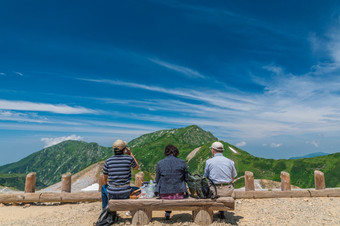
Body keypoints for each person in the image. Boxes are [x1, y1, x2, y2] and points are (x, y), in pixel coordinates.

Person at [101, 139, 139, 213]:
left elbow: (104, 180)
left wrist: (110, 186)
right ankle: (132, 210)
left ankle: (105, 211)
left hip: (112, 194)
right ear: (124, 150)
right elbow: (137, 167)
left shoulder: (108, 161)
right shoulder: (129, 159)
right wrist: (130, 153)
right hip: (126, 193)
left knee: (103, 188)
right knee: (137, 188)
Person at [204, 141, 237, 219]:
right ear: (222, 150)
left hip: (214, 191)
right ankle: (221, 211)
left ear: (213, 150)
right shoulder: (230, 162)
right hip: (228, 191)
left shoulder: (208, 162)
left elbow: (206, 176)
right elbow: (233, 177)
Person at [155, 144, 188, 220]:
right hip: (179, 194)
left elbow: (157, 180)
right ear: (176, 152)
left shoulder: (160, 163)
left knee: (164, 186)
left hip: (164, 194)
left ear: (166, 152)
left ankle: (167, 212)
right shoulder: (182, 162)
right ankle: (168, 212)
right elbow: (186, 178)